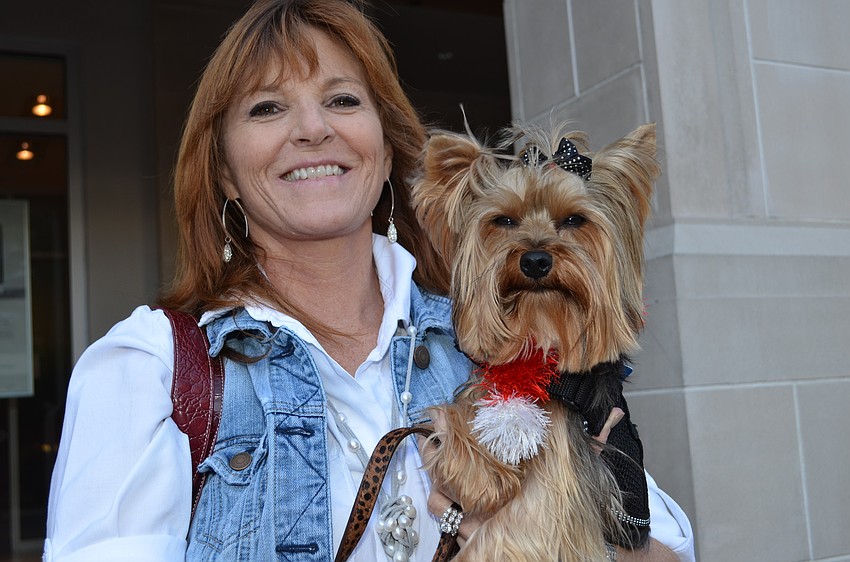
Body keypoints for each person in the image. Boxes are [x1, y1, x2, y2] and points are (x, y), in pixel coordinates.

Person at [43, 1, 695, 561]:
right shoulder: (152, 368)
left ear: (386, 152)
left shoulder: (497, 343)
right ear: (222, 171)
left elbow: (664, 552)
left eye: (342, 99)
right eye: (268, 107)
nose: (312, 128)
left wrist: (604, 530)